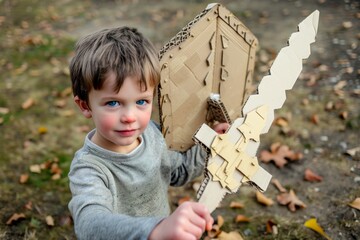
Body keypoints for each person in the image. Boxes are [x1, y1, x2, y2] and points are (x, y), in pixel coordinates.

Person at [68, 26, 228, 240]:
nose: (130, 117)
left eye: (142, 101)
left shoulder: (153, 134)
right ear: (85, 106)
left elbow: (178, 172)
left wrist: (211, 145)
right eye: (113, 102)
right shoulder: (89, 168)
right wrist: (156, 229)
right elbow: (89, 224)